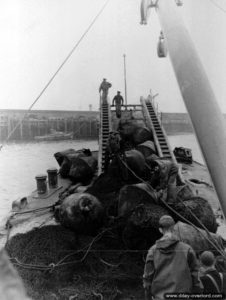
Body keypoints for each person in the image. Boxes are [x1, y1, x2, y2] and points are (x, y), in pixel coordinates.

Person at [143, 215, 202, 300]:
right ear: (174, 228)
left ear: (160, 230)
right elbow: (195, 276)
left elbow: (147, 279)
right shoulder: (187, 249)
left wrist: (148, 296)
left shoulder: (152, 251)